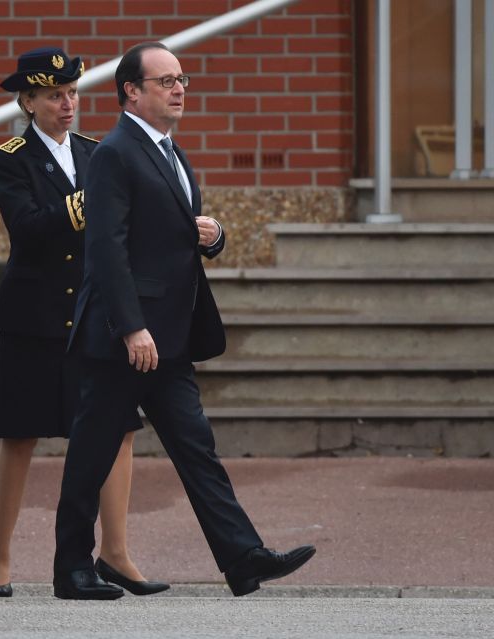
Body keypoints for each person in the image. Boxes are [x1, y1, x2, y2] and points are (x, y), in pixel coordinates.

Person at [52, 42, 316, 600]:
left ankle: (242, 559)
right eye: (166, 80)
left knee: (197, 447)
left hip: (167, 337)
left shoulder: (169, 149)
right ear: (132, 91)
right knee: (93, 452)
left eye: (182, 78)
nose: (179, 89)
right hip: (122, 338)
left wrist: (212, 235)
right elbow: (106, 250)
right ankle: (71, 566)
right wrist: (130, 326)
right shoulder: (115, 153)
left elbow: (174, 232)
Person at [0, 47, 166, 597]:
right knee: (20, 436)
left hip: (92, 315)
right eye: (54, 96)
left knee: (119, 433)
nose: (67, 104)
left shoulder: (96, 151)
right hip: (34, 316)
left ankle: (115, 551)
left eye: (72, 94)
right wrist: (95, 200)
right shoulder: (10, 156)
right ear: (29, 101)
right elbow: (31, 228)